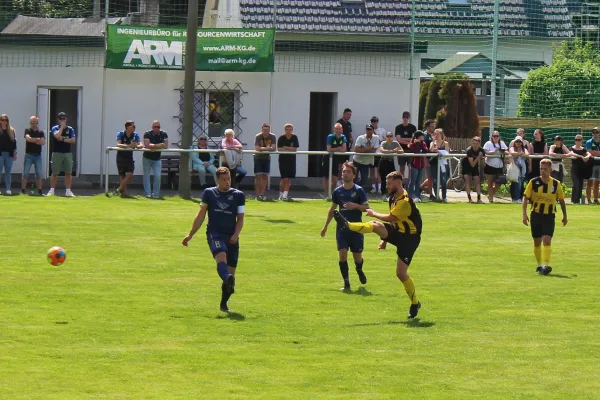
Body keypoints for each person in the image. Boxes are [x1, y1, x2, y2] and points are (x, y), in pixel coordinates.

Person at [332, 171, 423, 319]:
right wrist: (384, 239)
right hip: (397, 231)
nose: (386, 186)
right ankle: (348, 225)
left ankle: (415, 303)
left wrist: (373, 213)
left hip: (409, 239)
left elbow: (390, 217)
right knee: (375, 226)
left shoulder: (405, 201)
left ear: (399, 182)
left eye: (389, 183)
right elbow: (393, 221)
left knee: (401, 274)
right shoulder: (393, 198)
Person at [182, 167, 245, 313]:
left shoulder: (238, 195)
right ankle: (227, 277)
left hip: (232, 236)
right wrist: (190, 234)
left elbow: (240, 219)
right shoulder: (209, 193)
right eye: (224, 179)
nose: (227, 182)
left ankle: (224, 303)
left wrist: (235, 235)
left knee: (231, 277)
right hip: (215, 234)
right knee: (221, 257)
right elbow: (201, 216)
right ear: (217, 180)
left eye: (229, 178)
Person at [320, 162, 369, 291]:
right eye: (343, 171)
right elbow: (332, 210)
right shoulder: (337, 191)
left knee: (357, 257)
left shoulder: (359, 190)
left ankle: (359, 269)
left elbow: (367, 208)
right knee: (342, 255)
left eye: (348, 172)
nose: (345, 174)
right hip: (342, 229)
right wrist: (325, 226)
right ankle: (346, 283)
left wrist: (356, 206)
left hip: (357, 228)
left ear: (353, 175)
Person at [522, 159, 567, 276]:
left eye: (545, 169)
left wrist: (565, 215)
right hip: (535, 215)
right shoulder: (533, 182)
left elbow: (561, 200)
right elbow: (525, 198)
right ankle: (539, 265)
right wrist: (524, 214)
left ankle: (546, 265)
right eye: (541, 169)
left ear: (551, 170)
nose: (543, 171)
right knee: (537, 242)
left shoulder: (556, 184)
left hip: (549, 216)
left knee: (547, 240)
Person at [48, 112, 76, 197]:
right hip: (57, 153)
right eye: (61, 119)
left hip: (67, 153)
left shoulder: (70, 129)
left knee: (68, 173)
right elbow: (56, 136)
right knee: (55, 172)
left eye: (64, 119)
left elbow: (73, 140)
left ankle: (68, 191)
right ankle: (52, 190)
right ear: (58, 119)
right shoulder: (55, 128)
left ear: (66, 119)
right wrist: (61, 128)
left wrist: (63, 139)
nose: (63, 120)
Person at [115, 120, 143, 197]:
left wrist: (136, 146)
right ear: (127, 127)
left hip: (129, 157)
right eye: (132, 126)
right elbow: (118, 144)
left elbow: (141, 144)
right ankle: (123, 194)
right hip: (120, 157)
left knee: (130, 174)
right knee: (122, 175)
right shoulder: (121, 134)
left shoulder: (135, 135)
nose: (134, 127)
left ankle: (119, 189)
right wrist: (129, 146)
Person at [143, 120, 168, 199]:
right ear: (152, 127)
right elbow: (147, 145)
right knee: (146, 176)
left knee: (157, 176)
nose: (157, 128)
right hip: (147, 157)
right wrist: (159, 145)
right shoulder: (147, 133)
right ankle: (148, 194)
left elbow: (166, 145)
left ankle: (156, 194)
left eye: (158, 127)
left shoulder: (164, 134)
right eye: (155, 127)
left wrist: (153, 146)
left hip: (157, 159)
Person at [322, 123, 347, 198]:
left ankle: (330, 193)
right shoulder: (330, 136)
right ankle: (327, 195)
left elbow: (344, 149)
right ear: (334, 130)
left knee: (335, 179)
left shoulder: (343, 137)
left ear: (342, 130)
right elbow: (329, 149)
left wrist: (335, 149)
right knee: (326, 177)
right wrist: (338, 148)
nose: (338, 130)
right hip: (327, 158)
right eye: (336, 129)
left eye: (339, 129)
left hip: (336, 159)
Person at [21, 116, 45, 196]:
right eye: (32, 122)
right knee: (26, 173)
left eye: (35, 122)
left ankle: (40, 190)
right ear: (30, 122)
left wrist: (33, 140)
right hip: (29, 155)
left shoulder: (41, 131)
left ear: (37, 123)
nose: (33, 124)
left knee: (38, 173)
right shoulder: (27, 130)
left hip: (38, 155)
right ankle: (23, 190)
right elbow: (28, 139)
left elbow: (43, 142)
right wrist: (37, 139)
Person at [353, 124, 380, 191]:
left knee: (364, 180)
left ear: (373, 130)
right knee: (353, 178)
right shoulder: (360, 138)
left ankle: (354, 188)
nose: (369, 131)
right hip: (357, 161)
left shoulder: (376, 138)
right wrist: (368, 149)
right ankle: (352, 191)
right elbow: (356, 150)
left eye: (370, 129)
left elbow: (373, 151)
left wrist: (362, 149)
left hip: (366, 162)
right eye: (367, 129)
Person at [483, 130, 508, 203]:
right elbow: (486, 152)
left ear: (499, 136)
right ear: (492, 136)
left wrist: (502, 151)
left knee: (499, 183)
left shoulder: (502, 143)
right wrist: (495, 151)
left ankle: (490, 195)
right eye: (494, 136)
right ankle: (491, 198)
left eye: (497, 136)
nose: (496, 137)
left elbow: (507, 151)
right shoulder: (488, 143)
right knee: (490, 183)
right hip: (489, 166)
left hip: (499, 167)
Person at [253, 123, 276, 201]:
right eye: (264, 129)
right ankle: (257, 195)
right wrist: (267, 148)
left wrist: (263, 148)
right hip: (258, 158)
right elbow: (257, 148)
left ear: (269, 130)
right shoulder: (258, 136)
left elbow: (273, 148)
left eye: (267, 129)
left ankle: (262, 194)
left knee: (265, 176)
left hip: (267, 158)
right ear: (262, 129)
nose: (265, 131)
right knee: (258, 176)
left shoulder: (272, 136)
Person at [277, 123, 299, 201]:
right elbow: (279, 149)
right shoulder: (281, 138)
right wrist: (290, 148)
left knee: (288, 179)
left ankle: (285, 196)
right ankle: (281, 195)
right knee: (284, 179)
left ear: (292, 130)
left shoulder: (294, 137)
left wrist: (285, 147)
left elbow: (295, 148)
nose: (288, 131)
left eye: (290, 129)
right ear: (284, 130)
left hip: (292, 160)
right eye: (287, 129)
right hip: (283, 160)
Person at [429, 128, 451, 203]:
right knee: (435, 181)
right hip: (434, 164)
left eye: (437, 134)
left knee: (444, 181)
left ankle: (444, 197)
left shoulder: (445, 143)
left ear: (441, 135)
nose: (436, 136)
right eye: (435, 134)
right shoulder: (433, 143)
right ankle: (437, 196)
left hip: (443, 164)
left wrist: (440, 152)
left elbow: (447, 154)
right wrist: (433, 142)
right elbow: (431, 150)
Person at [379, 132, 402, 199]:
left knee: (393, 178)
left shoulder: (395, 143)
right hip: (383, 161)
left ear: (393, 137)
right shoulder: (383, 143)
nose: (389, 137)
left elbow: (401, 150)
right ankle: (383, 194)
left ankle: (392, 194)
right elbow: (382, 150)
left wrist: (396, 150)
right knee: (383, 178)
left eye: (390, 136)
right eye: (388, 136)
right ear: (386, 137)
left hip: (391, 162)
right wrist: (393, 151)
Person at [570, 134, 591, 204]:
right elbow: (572, 154)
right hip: (574, 167)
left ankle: (578, 199)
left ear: (581, 141)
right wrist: (582, 156)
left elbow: (589, 154)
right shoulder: (572, 148)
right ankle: (574, 199)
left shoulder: (583, 149)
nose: (577, 141)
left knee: (580, 183)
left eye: (579, 140)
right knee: (576, 183)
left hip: (581, 168)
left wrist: (587, 156)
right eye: (576, 140)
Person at [463, 136, 485, 203]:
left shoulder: (481, 150)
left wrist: (482, 159)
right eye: (474, 143)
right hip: (466, 165)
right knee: (467, 180)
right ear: (472, 143)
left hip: (475, 166)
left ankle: (479, 199)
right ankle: (469, 199)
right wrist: (478, 157)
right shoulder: (469, 150)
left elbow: (483, 165)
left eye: (477, 144)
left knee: (477, 180)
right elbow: (472, 164)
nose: (475, 145)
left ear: (479, 144)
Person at [394, 111, 417, 178]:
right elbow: (399, 140)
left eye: (407, 117)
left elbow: (414, 139)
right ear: (402, 117)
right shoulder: (398, 127)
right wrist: (409, 141)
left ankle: (410, 184)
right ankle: (401, 183)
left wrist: (404, 139)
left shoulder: (413, 127)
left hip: (410, 150)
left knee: (411, 168)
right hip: (401, 150)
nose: (405, 118)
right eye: (404, 117)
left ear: (409, 118)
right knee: (401, 168)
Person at [408, 131, 428, 202]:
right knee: (413, 181)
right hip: (414, 165)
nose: (423, 137)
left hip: (421, 165)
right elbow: (415, 150)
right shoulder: (412, 144)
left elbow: (426, 150)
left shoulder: (423, 143)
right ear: (419, 136)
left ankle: (417, 196)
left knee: (418, 182)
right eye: (422, 135)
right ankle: (410, 196)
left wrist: (420, 143)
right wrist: (416, 143)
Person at [0, 114, 17, 195]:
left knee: (8, 172)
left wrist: (14, 152)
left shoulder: (11, 130)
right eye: (2, 120)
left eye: (6, 120)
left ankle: (8, 189)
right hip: (0, 154)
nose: (4, 122)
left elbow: (14, 143)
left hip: (9, 154)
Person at [508, 137, 529, 203]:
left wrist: (520, 154)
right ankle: (516, 198)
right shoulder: (512, 148)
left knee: (520, 183)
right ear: (514, 142)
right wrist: (520, 154)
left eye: (519, 142)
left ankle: (518, 198)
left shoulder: (524, 149)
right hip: (514, 168)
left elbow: (527, 154)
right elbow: (512, 153)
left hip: (522, 168)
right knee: (516, 183)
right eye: (517, 141)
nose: (518, 143)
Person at [585, 127, 600, 204]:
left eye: (597, 132)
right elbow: (590, 152)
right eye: (593, 132)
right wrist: (596, 152)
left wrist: (595, 152)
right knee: (589, 182)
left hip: (598, 164)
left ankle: (595, 199)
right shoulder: (589, 142)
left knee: (597, 182)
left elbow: (594, 152)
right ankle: (588, 199)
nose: (595, 134)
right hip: (590, 164)